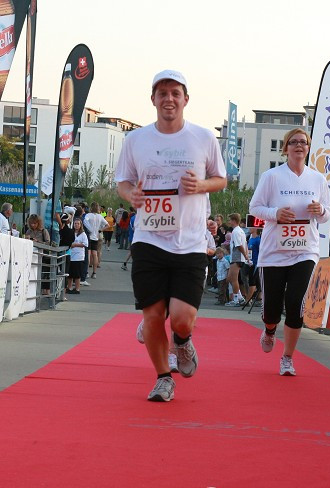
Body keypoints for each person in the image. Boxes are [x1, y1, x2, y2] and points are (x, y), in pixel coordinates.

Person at [116, 69, 227, 402]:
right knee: (152, 315)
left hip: (190, 241)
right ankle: (164, 377)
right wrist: (130, 196)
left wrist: (201, 185)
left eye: (175, 93)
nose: (169, 99)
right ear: (153, 99)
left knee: (181, 317)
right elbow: (123, 182)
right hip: (149, 238)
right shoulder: (135, 140)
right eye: (162, 93)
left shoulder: (204, 138)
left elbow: (220, 179)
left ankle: (182, 340)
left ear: (185, 100)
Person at [248, 127, 330, 376]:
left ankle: (287, 357)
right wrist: (276, 214)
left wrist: (320, 211)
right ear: (285, 148)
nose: (298, 146)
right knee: (271, 309)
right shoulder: (272, 176)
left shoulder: (317, 179)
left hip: (305, 250)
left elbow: (326, 213)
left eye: (303, 142)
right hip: (274, 251)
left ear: (308, 148)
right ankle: (270, 329)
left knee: (295, 303)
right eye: (293, 142)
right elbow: (255, 207)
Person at [225, 213, 249, 306]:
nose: (229, 222)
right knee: (230, 278)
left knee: (233, 279)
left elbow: (239, 245)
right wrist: (245, 255)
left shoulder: (236, 232)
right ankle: (240, 297)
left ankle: (236, 299)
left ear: (234, 221)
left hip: (237, 257)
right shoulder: (240, 231)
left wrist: (245, 256)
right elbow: (245, 244)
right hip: (237, 257)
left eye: (230, 220)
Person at [83, 202, 108, 279]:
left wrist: (89, 229)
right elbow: (107, 225)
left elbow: (84, 221)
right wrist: (100, 230)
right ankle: (94, 273)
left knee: (88, 254)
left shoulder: (88, 215)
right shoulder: (100, 216)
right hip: (96, 237)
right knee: (95, 254)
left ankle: (86, 272)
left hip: (89, 236)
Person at [66, 218, 88, 294]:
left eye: (78, 224)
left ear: (80, 225)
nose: (76, 225)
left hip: (79, 257)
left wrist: (75, 245)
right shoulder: (71, 232)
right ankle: (69, 287)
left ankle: (77, 288)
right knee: (70, 273)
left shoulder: (83, 234)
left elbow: (85, 244)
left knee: (77, 274)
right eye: (75, 223)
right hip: (71, 255)